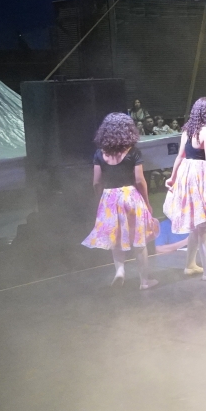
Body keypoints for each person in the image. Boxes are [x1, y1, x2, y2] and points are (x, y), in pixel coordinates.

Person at [82, 112, 158, 289]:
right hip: (130, 196)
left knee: (115, 238)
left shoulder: (99, 154)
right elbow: (139, 180)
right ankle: (144, 281)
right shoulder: (133, 152)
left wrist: (101, 200)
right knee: (139, 239)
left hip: (109, 197)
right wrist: (147, 202)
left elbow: (96, 182)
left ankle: (120, 271)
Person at [163, 97, 206, 280]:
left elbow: (180, 157)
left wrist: (173, 177)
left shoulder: (188, 130)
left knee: (196, 223)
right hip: (200, 175)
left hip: (186, 174)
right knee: (204, 224)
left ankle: (190, 265)